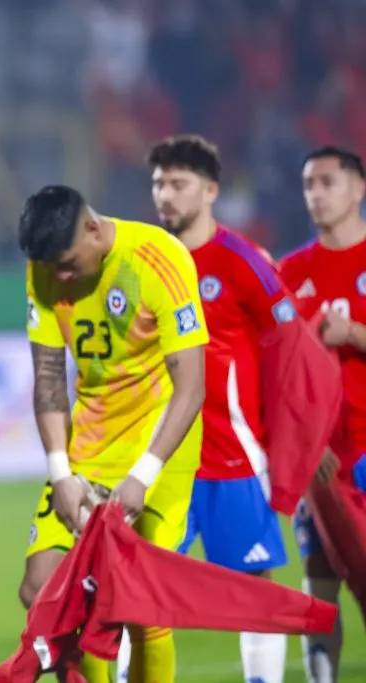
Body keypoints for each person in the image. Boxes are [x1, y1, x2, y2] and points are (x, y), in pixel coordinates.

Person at [19, 185, 207, 683]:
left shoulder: (159, 259)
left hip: (158, 441)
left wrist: (144, 475)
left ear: (93, 229)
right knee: (42, 590)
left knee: (143, 601)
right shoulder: (43, 267)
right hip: (91, 442)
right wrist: (60, 472)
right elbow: (48, 378)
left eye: (65, 262)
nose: (59, 276)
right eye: (50, 266)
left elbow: (191, 387)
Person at [146, 134, 294, 683]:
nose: (165, 194)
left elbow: (288, 349)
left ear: (210, 190)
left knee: (253, 584)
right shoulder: (144, 261)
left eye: (178, 184)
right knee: (139, 586)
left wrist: (284, 439)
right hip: (163, 461)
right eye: (159, 183)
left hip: (234, 455)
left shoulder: (242, 260)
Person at [278, 145, 366, 683]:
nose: (315, 193)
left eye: (328, 182)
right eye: (308, 183)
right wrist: (304, 450)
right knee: (320, 575)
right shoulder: (291, 274)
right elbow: (281, 378)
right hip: (323, 458)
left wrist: (354, 334)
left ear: (359, 189)